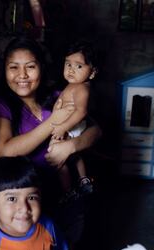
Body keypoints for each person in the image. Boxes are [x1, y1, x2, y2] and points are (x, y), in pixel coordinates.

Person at [0, 36, 102, 207]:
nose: (22, 75)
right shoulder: (0, 106)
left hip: (69, 194)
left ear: (41, 68)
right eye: (13, 67)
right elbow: (4, 151)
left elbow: (96, 131)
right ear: (4, 70)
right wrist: (54, 121)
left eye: (31, 67)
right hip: (27, 201)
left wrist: (70, 147)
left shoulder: (59, 96)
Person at [50, 40, 98, 200]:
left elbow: (81, 111)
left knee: (57, 158)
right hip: (70, 126)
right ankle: (83, 180)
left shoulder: (82, 88)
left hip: (71, 126)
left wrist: (63, 126)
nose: (71, 70)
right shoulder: (72, 85)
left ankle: (68, 191)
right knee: (75, 156)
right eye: (68, 64)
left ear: (92, 73)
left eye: (79, 66)